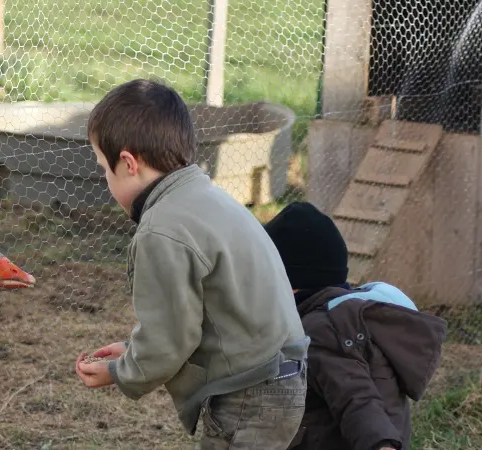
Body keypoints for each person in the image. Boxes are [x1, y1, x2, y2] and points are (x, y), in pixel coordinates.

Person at [74, 78, 310, 449]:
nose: (105, 179)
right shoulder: (207, 197)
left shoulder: (162, 230)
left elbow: (170, 340)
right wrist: (132, 348)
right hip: (281, 376)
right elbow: (194, 315)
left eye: (104, 168)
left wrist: (122, 372)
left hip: (248, 395)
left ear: (128, 163)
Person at [263, 201, 448, 450]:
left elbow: (356, 399)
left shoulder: (321, 330)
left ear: (290, 282)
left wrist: (381, 445)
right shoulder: (352, 315)